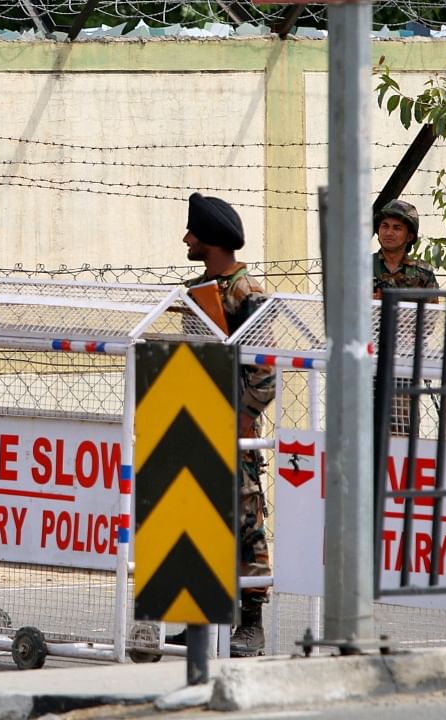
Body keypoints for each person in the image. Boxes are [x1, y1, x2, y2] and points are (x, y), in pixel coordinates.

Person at [174, 192, 275, 657]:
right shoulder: (198, 291)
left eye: (193, 233)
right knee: (196, 518)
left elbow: (264, 373)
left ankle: (249, 624)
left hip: (234, 428)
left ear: (211, 240)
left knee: (245, 522)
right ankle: (198, 622)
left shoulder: (246, 292)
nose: (187, 238)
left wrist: (241, 420)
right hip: (197, 421)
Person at [372, 199, 439, 436]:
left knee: (400, 434)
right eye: (385, 226)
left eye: (397, 228)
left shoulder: (422, 273)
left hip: (403, 364)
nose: (388, 232)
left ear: (410, 236)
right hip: (365, 361)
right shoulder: (361, 267)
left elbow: (429, 320)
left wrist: (389, 310)